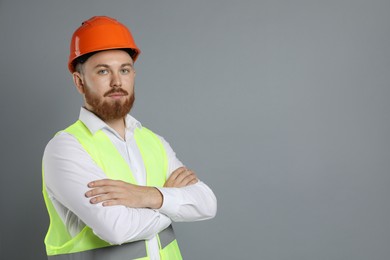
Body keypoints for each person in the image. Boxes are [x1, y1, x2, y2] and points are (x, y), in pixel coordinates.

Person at [42, 16, 217, 260]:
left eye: (124, 70)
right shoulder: (66, 148)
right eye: (103, 71)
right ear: (80, 82)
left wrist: (146, 195)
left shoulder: (153, 141)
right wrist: (171, 200)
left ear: (133, 74)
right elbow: (116, 229)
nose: (117, 82)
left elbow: (207, 203)